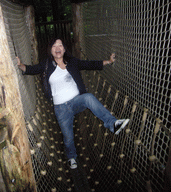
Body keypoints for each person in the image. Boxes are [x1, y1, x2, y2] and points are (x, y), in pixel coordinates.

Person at [17, 37, 129, 169]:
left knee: (88, 97)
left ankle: (113, 124)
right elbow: (31, 69)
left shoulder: (72, 62)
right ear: (50, 50)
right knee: (68, 137)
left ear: (64, 49)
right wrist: (19, 65)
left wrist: (109, 61)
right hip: (61, 108)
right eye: (54, 46)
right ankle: (71, 157)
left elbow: (89, 64)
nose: (58, 48)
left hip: (76, 101)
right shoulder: (46, 64)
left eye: (60, 45)